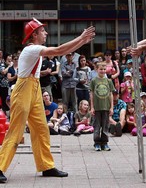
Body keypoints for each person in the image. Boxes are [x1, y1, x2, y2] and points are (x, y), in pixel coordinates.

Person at [0, 18, 95, 183]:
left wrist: (82, 41)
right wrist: (80, 38)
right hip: (24, 90)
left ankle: (46, 166)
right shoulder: (32, 49)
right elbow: (59, 50)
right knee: (16, 130)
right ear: (34, 34)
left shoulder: (34, 48)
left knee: (41, 129)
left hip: (34, 88)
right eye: (42, 31)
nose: (46, 33)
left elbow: (62, 51)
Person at [90, 62, 114, 151]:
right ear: (97, 69)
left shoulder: (109, 81)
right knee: (97, 125)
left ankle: (105, 143)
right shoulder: (93, 81)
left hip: (106, 107)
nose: (103, 71)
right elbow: (91, 94)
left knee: (105, 125)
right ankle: (97, 143)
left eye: (104, 69)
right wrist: (92, 107)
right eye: (101, 69)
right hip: (97, 107)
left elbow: (111, 94)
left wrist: (111, 107)